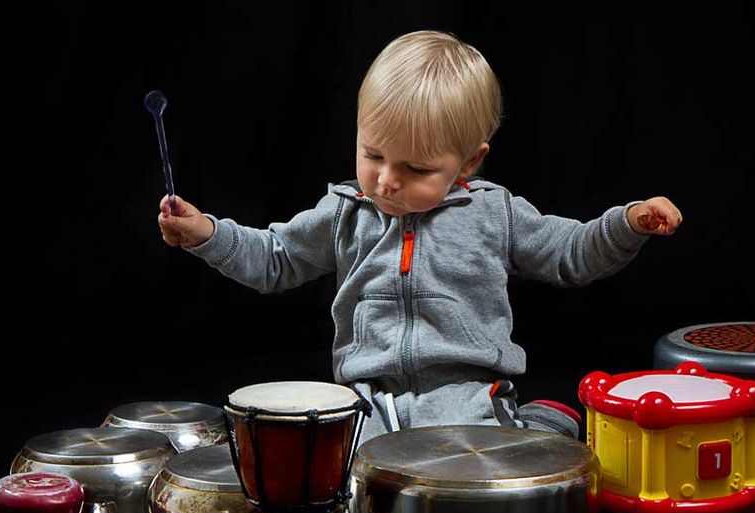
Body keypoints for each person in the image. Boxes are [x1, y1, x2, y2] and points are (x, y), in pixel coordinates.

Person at [157, 30, 682, 443]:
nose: (386, 179)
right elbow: (274, 258)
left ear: (468, 161)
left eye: (416, 168)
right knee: (352, 471)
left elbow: (571, 254)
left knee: (479, 461)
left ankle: (541, 424)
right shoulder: (345, 212)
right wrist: (206, 233)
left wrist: (625, 223)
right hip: (367, 394)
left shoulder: (493, 211)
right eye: (373, 154)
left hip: (467, 393)